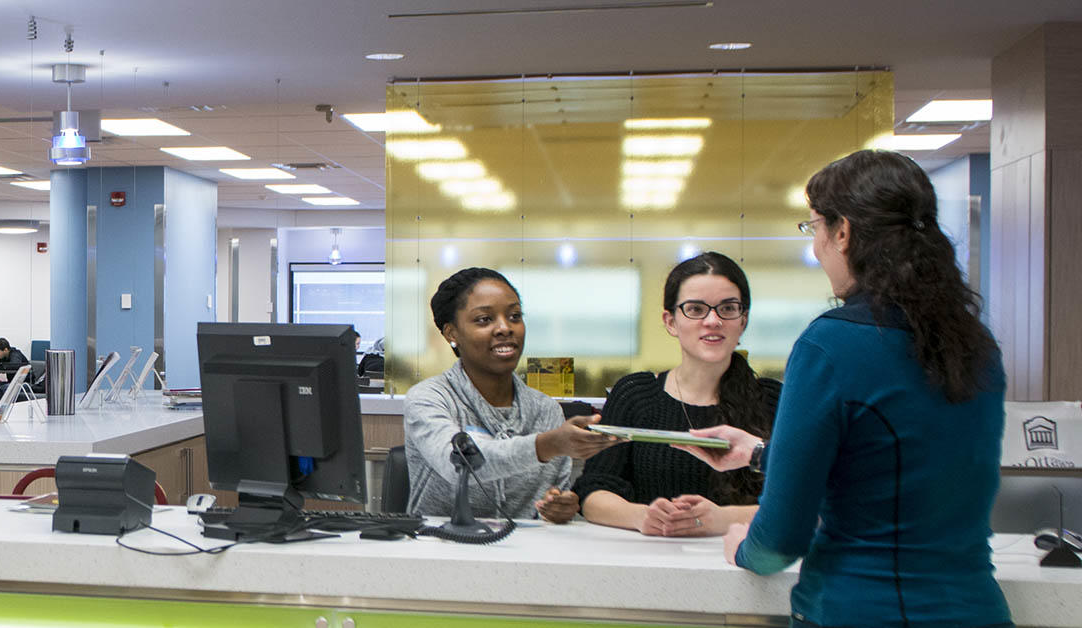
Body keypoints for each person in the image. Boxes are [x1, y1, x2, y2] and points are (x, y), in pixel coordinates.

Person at [679, 150, 1011, 627]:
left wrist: (744, 548)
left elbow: (780, 541)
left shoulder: (831, 344)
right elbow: (901, 465)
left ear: (844, 232)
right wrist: (760, 453)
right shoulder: (975, 345)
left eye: (814, 227)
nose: (815, 247)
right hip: (976, 609)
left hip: (863, 610)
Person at [573, 252, 780, 537]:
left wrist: (722, 519)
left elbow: (805, 500)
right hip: (652, 564)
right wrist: (641, 516)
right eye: (695, 309)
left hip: (745, 566)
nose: (712, 320)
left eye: (728, 308)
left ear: (743, 320)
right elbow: (593, 492)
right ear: (670, 321)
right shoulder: (635, 395)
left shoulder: (773, 401)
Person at [404, 267, 620, 523]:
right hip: (441, 549)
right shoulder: (430, 398)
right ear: (452, 333)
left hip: (524, 554)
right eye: (484, 319)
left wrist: (560, 508)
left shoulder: (545, 410)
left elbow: (555, 498)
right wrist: (546, 445)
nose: (505, 328)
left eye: (515, 316)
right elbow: (458, 465)